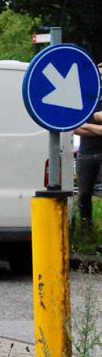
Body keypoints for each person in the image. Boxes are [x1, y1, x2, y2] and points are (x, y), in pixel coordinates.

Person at [74, 63, 102, 232]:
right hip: (85, 153)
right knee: (83, 195)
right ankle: (86, 230)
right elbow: (75, 128)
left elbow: (83, 125)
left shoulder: (88, 106)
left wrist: (88, 123)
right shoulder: (85, 98)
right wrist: (96, 126)